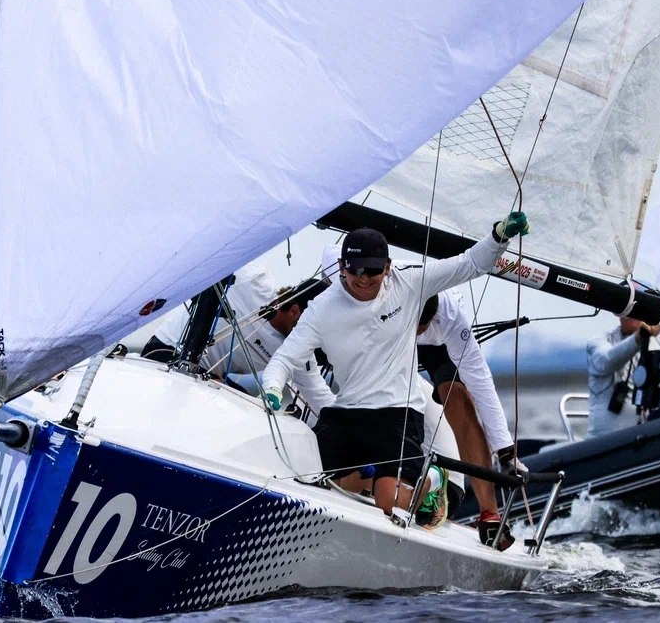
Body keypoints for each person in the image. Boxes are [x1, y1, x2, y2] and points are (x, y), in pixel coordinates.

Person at [262, 211, 530, 525]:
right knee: (312, 478)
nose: (363, 278)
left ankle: (436, 480)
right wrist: (272, 388)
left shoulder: (410, 282)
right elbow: (285, 358)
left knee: (389, 500)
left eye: (372, 271)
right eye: (354, 270)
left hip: (397, 413)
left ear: (388, 268)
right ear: (341, 267)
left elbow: (471, 263)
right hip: (347, 411)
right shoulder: (322, 308)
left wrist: (499, 237)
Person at [143, 265, 336, 415]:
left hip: (206, 377)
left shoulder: (297, 348)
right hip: (165, 352)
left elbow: (319, 396)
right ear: (294, 311)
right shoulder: (253, 280)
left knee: (255, 412)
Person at [415, 289, 523, 549]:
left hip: (440, 342)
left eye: (422, 326)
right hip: (387, 325)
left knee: (457, 396)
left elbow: (481, 382)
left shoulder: (450, 314)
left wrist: (506, 451)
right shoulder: (372, 288)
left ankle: (489, 514)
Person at [586, 313, 660, 437]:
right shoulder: (598, 342)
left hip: (648, 434)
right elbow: (606, 361)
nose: (632, 313)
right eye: (628, 309)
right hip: (605, 439)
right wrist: (638, 337)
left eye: (637, 309)